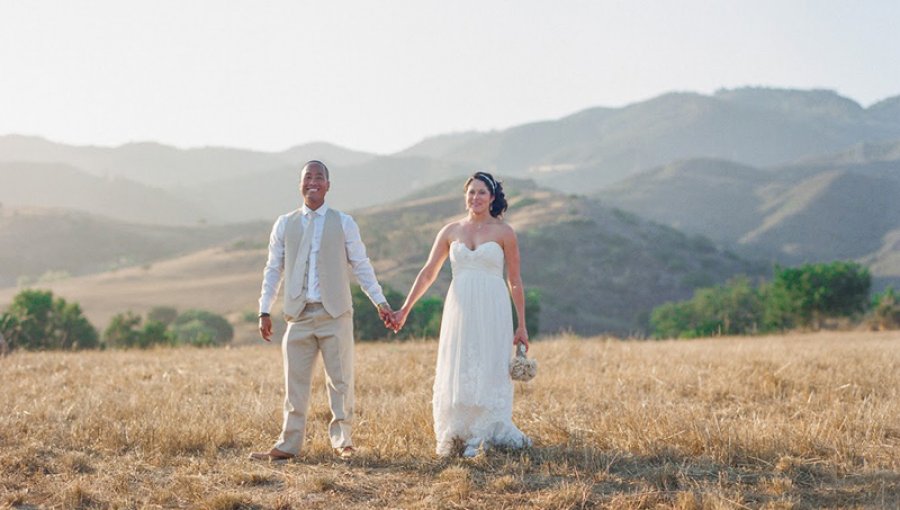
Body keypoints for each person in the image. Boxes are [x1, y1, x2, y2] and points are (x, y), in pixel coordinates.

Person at [250, 160, 395, 461]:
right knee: (294, 383)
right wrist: (264, 310)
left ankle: (343, 442)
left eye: (319, 177)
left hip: (335, 314)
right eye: (307, 177)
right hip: (298, 316)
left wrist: (380, 302)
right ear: (299, 184)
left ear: (328, 185)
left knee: (341, 381)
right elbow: (273, 269)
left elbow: (361, 265)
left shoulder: (344, 222)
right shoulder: (284, 223)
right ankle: (288, 445)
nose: (312, 182)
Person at [392, 171, 532, 457]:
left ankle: (483, 432)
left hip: (493, 306)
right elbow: (428, 272)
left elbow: (515, 280)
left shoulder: (505, 232)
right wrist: (405, 309)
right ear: (465, 196)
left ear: (492, 197)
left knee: (488, 362)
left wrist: (522, 325)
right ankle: (455, 431)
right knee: (458, 362)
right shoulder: (450, 230)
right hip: (460, 306)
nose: (475, 197)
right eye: (471, 192)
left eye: (482, 192)